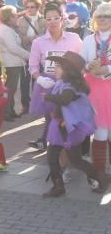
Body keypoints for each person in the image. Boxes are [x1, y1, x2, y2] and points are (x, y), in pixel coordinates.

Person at [41, 51, 110, 197]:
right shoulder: (64, 84)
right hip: (61, 126)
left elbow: (65, 99)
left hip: (68, 129)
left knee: (74, 160)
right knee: (57, 157)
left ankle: (102, 178)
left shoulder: (71, 86)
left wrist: (48, 96)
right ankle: (59, 186)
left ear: (68, 70)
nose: (55, 69)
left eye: (59, 66)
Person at [28, 1, 82, 151]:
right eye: (48, 19)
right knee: (52, 120)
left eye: (55, 18)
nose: (52, 22)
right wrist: (39, 78)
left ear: (62, 19)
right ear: (44, 21)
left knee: (68, 120)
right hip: (48, 86)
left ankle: (70, 151)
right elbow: (32, 66)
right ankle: (55, 151)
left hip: (69, 86)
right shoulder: (38, 43)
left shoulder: (74, 38)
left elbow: (82, 61)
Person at [81, 3, 111, 177]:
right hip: (95, 91)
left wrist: (107, 69)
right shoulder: (88, 40)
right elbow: (81, 63)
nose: (103, 19)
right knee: (99, 133)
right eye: (100, 16)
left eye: (107, 16)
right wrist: (88, 66)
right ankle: (100, 174)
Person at [0, 5, 30, 121]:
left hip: (13, 63)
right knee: (10, 90)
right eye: (15, 16)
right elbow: (13, 48)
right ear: (9, 18)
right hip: (11, 64)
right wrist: (28, 55)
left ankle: (11, 111)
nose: (17, 17)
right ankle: (6, 113)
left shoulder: (8, 29)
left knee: (13, 89)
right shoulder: (6, 30)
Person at [16, 0, 46, 115]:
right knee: (24, 81)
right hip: (26, 53)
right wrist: (32, 38)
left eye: (32, 7)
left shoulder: (43, 20)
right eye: (27, 7)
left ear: (38, 8)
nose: (29, 9)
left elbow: (45, 36)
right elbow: (19, 38)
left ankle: (36, 104)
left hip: (40, 54)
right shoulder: (20, 20)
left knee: (37, 81)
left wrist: (39, 39)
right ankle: (25, 106)